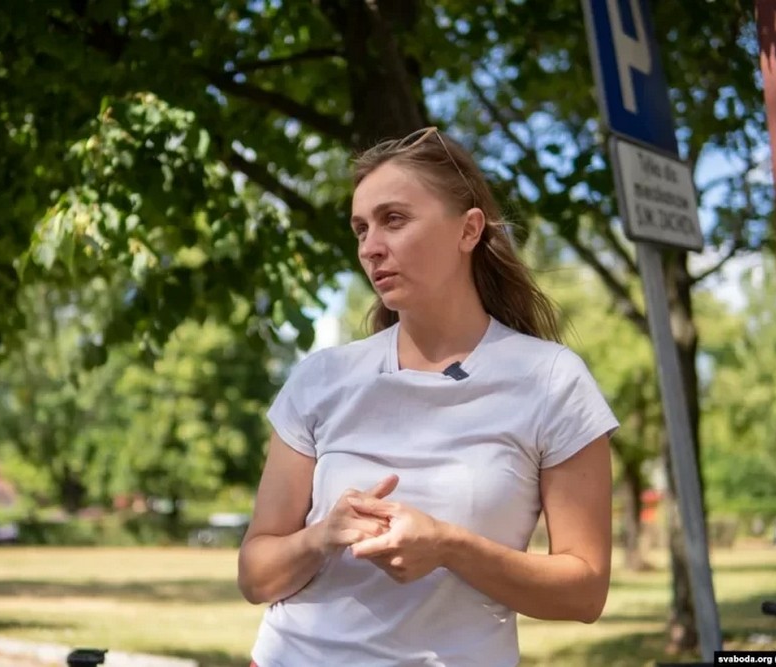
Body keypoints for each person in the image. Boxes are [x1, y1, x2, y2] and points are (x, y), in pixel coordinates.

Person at [237, 127, 619, 667]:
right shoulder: (322, 377)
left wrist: (448, 547)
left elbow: (585, 592)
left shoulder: (552, 380)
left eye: (394, 219)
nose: (370, 247)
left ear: (468, 230)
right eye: (361, 228)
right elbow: (255, 576)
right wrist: (323, 536)